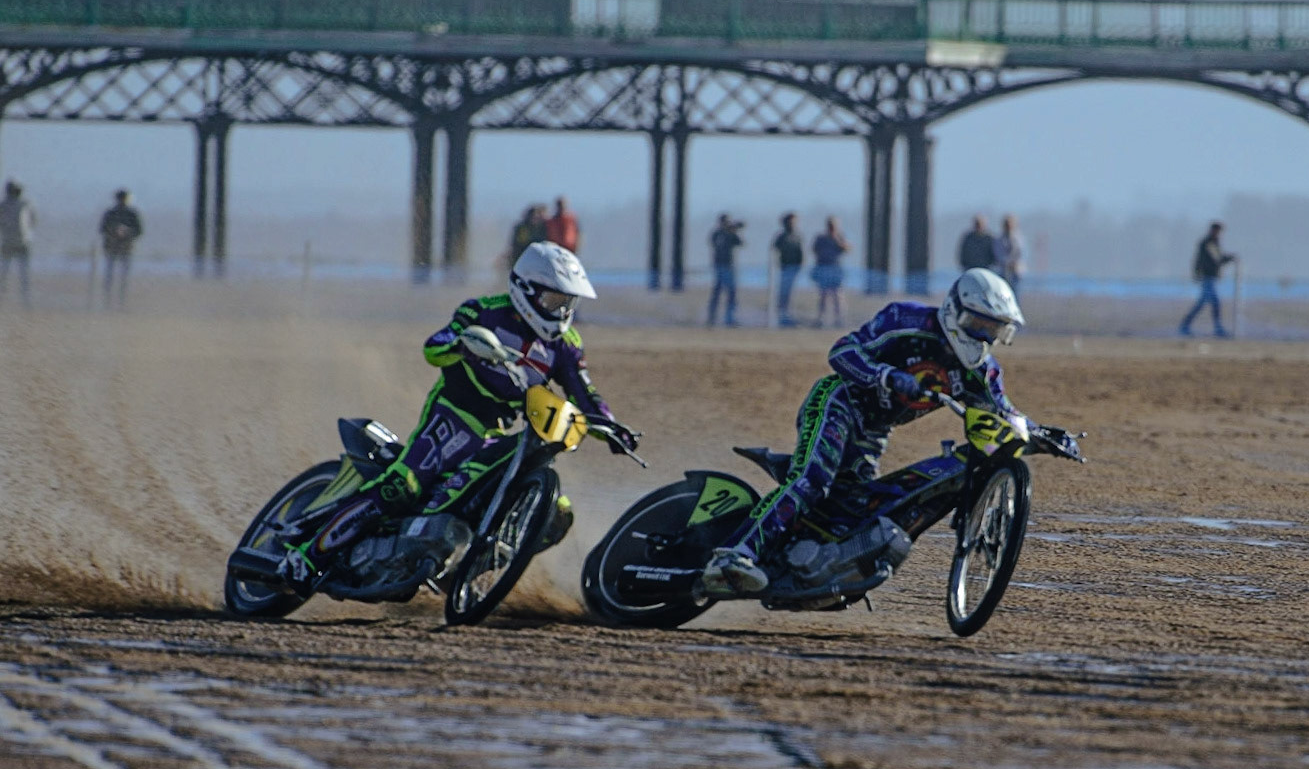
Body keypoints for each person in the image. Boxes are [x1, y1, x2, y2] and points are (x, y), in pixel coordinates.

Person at [280, 241, 639, 592]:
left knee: (556, 515)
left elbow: (585, 394)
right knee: (402, 485)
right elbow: (433, 348)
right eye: (553, 301)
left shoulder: (567, 344)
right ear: (526, 291)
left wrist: (611, 427)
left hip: (497, 431)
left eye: (567, 303)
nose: (561, 311)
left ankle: (464, 570)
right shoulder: (482, 311)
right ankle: (307, 557)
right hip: (452, 415)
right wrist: (461, 345)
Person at [702, 267, 1030, 597]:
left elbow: (1004, 411)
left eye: (995, 330)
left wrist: (1040, 434)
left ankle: (804, 567)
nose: (985, 337)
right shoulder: (905, 319)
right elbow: (841, 352)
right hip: (839, 401)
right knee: (812, 480)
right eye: (979, 325)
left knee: (855, 512)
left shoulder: (982, 372)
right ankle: (735, 554)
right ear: (954, 311)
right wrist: (884, 374)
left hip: (872, 433)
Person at [1179, 221, 1236, 338]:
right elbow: (1217, 259)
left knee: (1206, 303)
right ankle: (1215, 328)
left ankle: (1186, 326)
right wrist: (1231, 258)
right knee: (1211, 303)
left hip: (1210, 278)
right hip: (1207, 278)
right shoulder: (1208, 243)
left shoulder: (1211, 243)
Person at [99, 189, 143, 310]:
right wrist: (114, 231)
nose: (122, 201)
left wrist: (127, 232)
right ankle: (107, 299)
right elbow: (103, 229)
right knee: (110, 275)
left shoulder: (132, 214)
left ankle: (122, 300)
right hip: (112, 247)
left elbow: (139, 230)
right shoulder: (110, 213)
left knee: (124, 276)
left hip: (126, 248)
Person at [0, 180, 36, 308]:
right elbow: (33, 221)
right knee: (23, 273)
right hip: (22, 241)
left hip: (9, 241)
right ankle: (25, 299)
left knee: (5, 271)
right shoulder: (25, 204)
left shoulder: (3, 205)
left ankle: (6, 298)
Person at [810, 216, 850, 328]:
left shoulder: (840, 237)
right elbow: (814, 249)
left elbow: (847, 249)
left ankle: (840, 319)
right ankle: (821, 319)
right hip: (823, 269)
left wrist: (837, 240)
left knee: (838, 295)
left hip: (836, 269)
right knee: (823, 295)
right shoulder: (820, 238)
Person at [707, 212, 745, 327]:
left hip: (729, 266)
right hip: (720, 265)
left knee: (731, 293)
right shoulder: (717, 234)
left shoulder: (730, 234)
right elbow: (715, 244)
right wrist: (729, 232)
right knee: (718, 291)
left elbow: (740, 243)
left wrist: (735, 231)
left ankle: (729, 317)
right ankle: (712, 317)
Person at [772, 212, 804, 327]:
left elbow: (801, 252)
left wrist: (800, 265)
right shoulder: (781, 237)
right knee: (783, 294)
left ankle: (790, 316)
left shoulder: (797, 236)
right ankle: (781, 316)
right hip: (784, 269)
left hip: (795, 269)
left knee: (792, 295)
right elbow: (774, 251)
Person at [994, 214, 1026, 296]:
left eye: (1010, 224)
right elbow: (998, 253)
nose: (1009, 226)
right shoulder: (999, 239)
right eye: (1007, 224)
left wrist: (1014, 263)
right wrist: (1007, 262)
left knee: (1015, 293)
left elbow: (1021, 253)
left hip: (1016, 271)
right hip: (1003, 270)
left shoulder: (1019, 238)